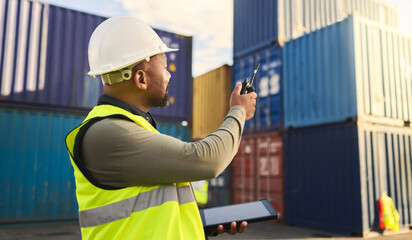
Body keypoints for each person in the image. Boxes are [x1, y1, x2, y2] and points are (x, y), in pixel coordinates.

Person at [66, 16, 257, 240]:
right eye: (165, 67)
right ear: (141, 79)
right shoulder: (111, 133)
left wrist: (198, 226)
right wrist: (238, 112)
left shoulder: (129, 127)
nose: (169, 76)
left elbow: (147, 214)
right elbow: (207, 159)